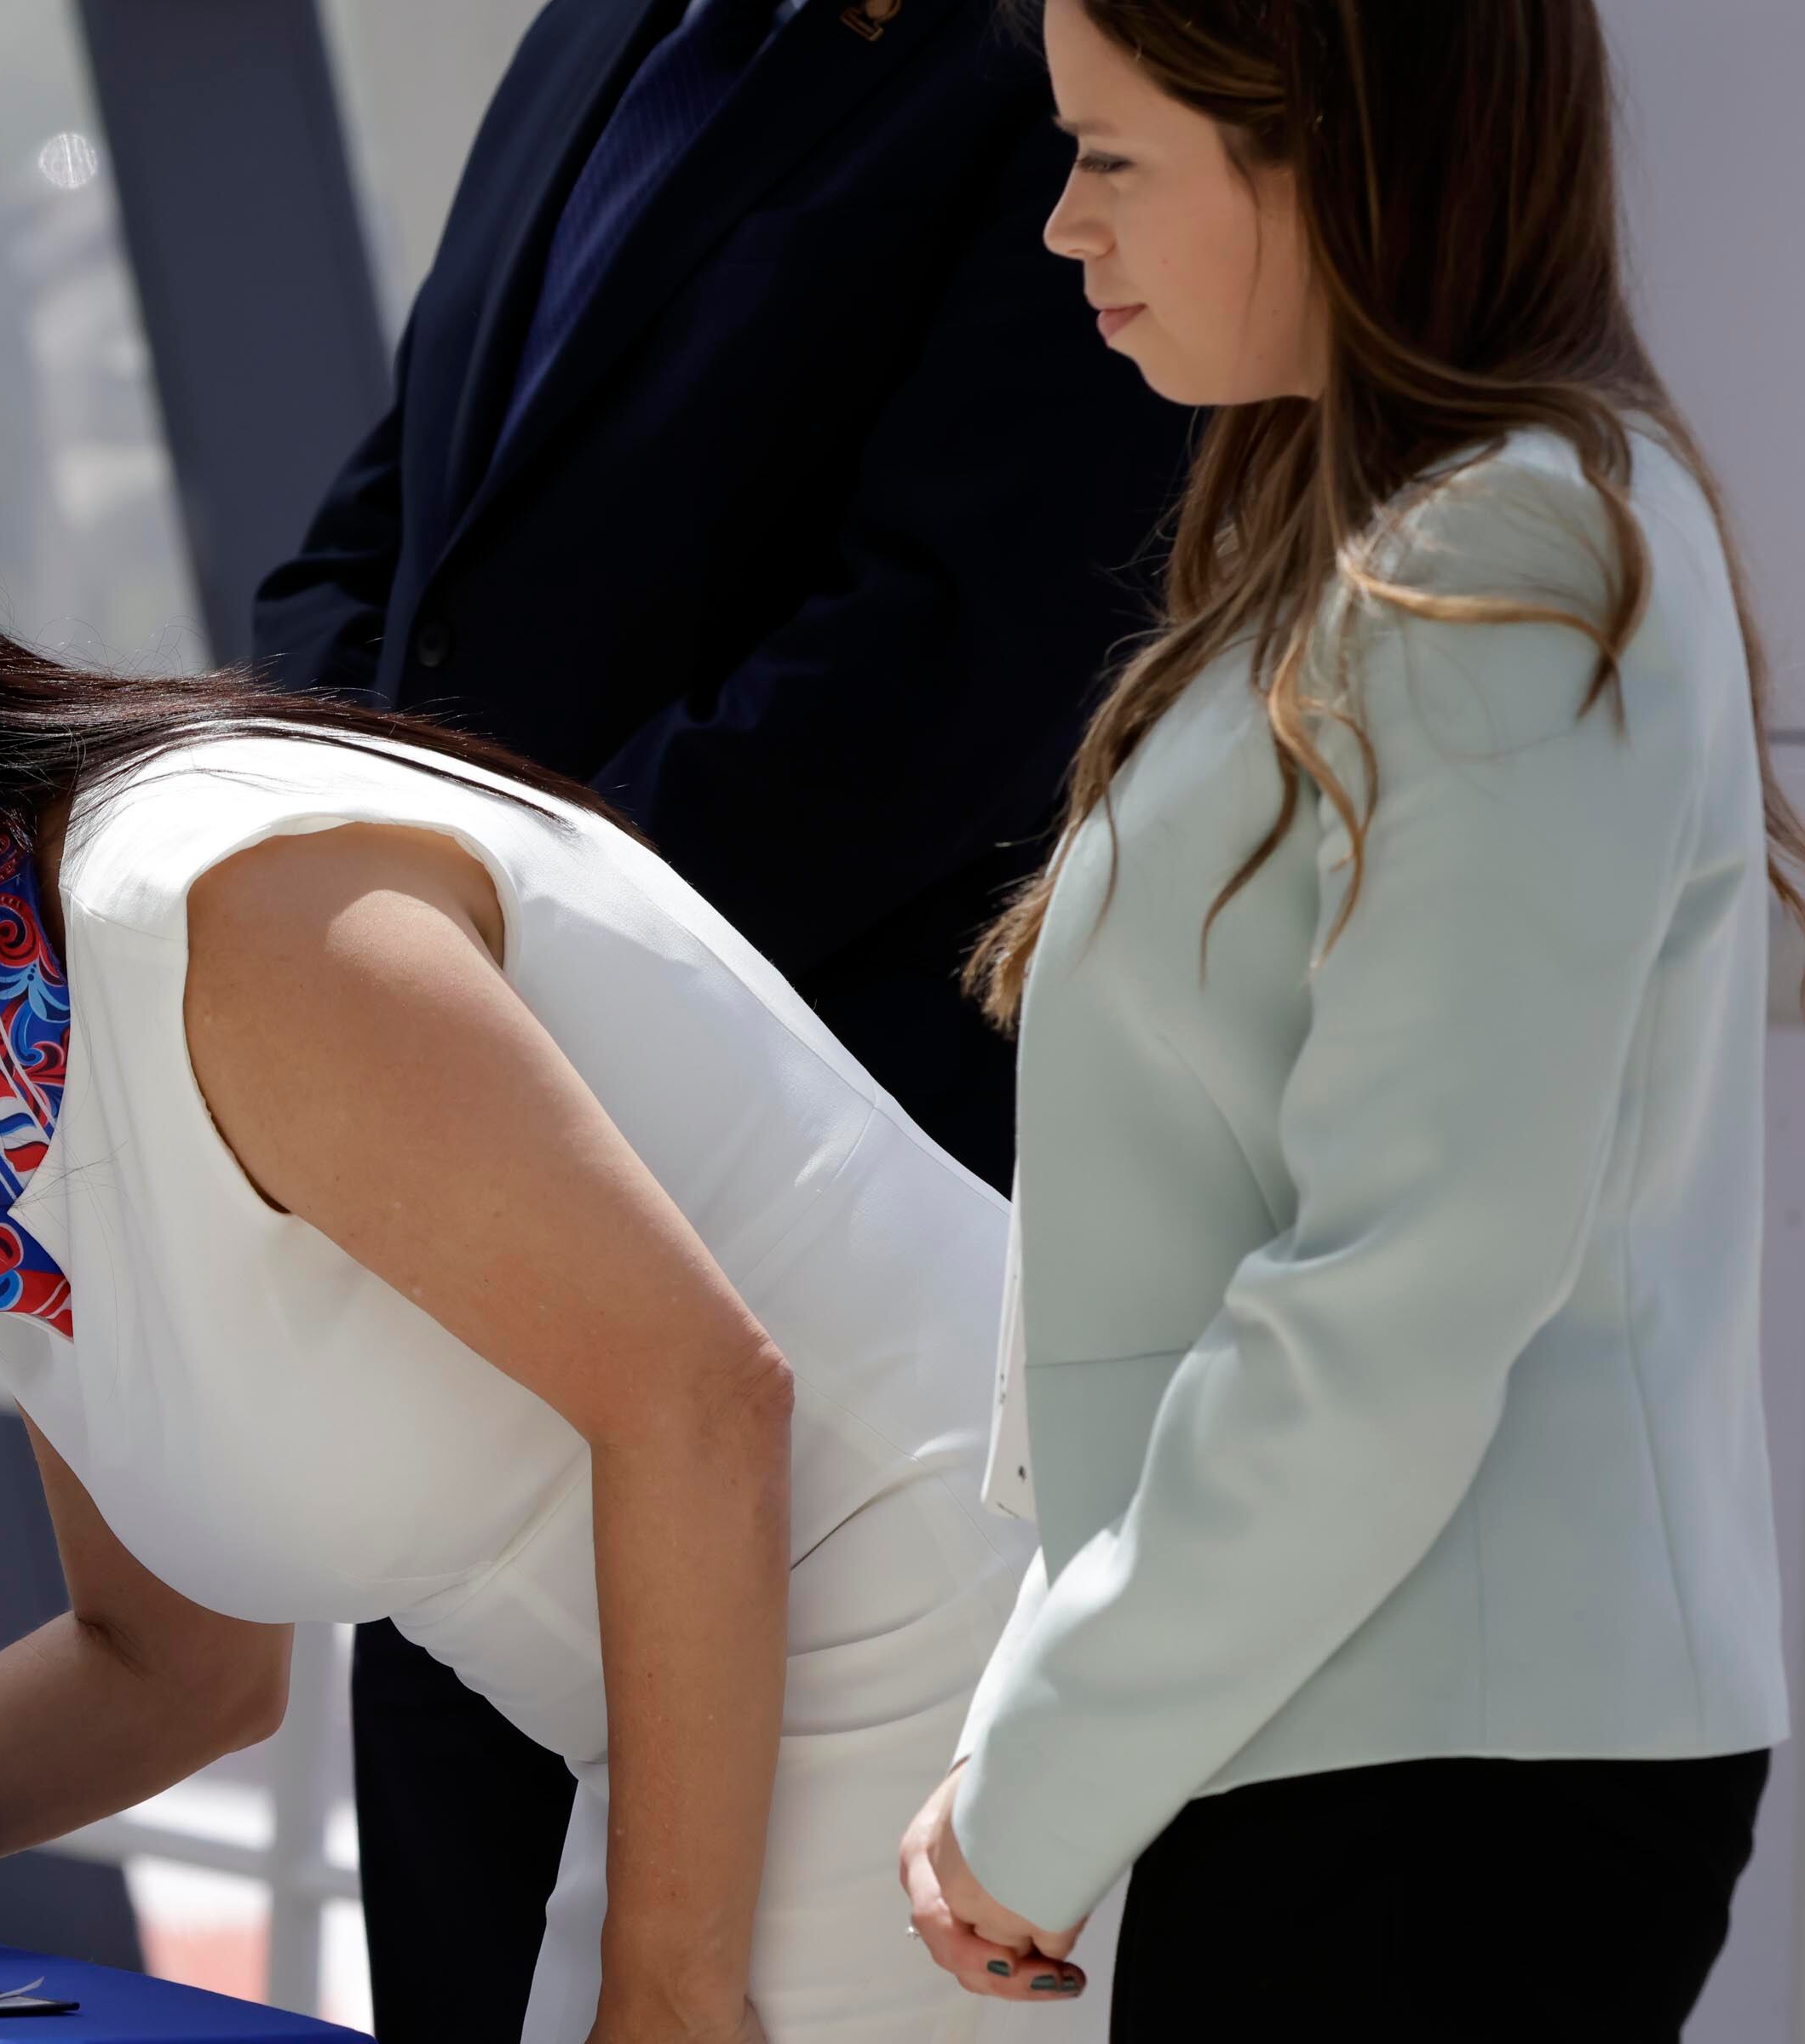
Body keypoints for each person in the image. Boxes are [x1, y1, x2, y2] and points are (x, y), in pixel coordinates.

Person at [0, 457, 1049, 2039]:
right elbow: (169, 1670)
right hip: (747, 1748)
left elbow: (697, 1398)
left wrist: (668, 2003)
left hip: (961, 1713)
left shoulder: (215, 901)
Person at [250, 2, 1189, 2018]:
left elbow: (948, 657)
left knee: (746, 1952)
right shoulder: (604, 30)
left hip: (808, 1181)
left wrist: (497, 932)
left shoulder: (1036, 69)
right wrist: (316, 842)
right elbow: (398, 516)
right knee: (460, 1906)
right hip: (471, 1186)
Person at [897, 2, 1802, 2035]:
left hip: (1446, 1782)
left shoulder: (1510, 555)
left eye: (1113, 156)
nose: (1062, 224)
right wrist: (1055, 1737)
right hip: (1375, 1748)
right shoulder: (1411, 540)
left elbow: (1391, 1296)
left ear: (1330, 144)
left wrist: (1041, 1772)